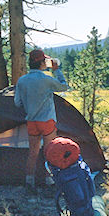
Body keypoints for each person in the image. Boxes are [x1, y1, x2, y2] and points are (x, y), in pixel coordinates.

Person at [14, 49, 69, 192]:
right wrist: (57, 70)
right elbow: (64, 86)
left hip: (31, 121)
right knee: (50, 151)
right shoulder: (46, 79)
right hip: (47, 121)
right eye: (45, 61)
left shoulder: (22, 80)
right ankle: (49, 180)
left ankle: (29, 181)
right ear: (41, 63)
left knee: (33, 152)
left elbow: (17, 103)